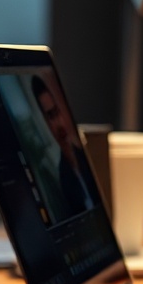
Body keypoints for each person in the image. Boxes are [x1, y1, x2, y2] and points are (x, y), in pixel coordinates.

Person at [32, 74, 97, 220]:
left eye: (56, 112)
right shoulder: (63, 179)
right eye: (50, 116)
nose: (58, 123)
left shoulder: (86, 157)